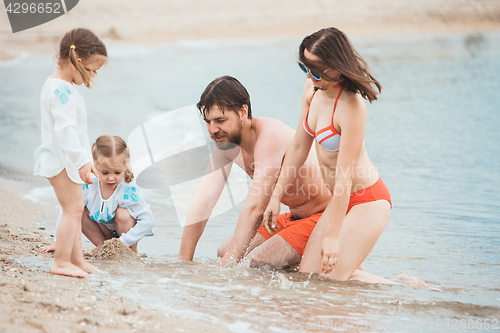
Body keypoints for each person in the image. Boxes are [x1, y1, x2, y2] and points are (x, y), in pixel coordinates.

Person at [263, 27, 392, 281]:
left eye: (317, 69)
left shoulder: (352, 107)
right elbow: (299, 147)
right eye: (305, 67)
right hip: (339, 201)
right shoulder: (312, 91)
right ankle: (401, 283)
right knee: (310, 276)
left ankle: (413, 291)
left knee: (323, 281)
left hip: (367, 202)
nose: (311, 76)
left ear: (337, 65)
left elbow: (345, 177)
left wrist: (332, 237)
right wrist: (275, 196)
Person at [178, 76, 332, 269]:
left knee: (256, 262)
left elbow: (256, 209)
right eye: (207, 121)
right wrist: (183, 261)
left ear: (243, 111)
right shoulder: (225, 145)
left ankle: (305, 271)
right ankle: (294, 267)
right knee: (224, 252)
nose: (212, 129)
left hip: (324, 217)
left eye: (220, 120)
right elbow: (204, 202)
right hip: (293, 217)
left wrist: (225, 270)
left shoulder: (268, 136)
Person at [34, 28, 107, 278]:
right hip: (62, 161)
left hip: (64, 159)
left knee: (75, 209)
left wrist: (83, 160)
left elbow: (72, 131)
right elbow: (65, 130)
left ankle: (76, 259)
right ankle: (62, 260)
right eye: (92, 69)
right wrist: (82, 161)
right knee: (73, 210)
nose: (94, 75)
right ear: (77, 61)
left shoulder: (58, 85)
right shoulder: (62, 91)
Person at [42, 135, 155, 256]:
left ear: (125, 166)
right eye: (105, 172)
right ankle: (102, 246)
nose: (111, 178)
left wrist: (123, 242)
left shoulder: (128, 189)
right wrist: (59, 242)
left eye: (117, 172)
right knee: (77, 208)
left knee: (123, 213)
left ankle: (130, 251)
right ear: (95, 165)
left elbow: (148, 220)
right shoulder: (90, 183)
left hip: (125, 234)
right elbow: (67, 210)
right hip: (102, 229)